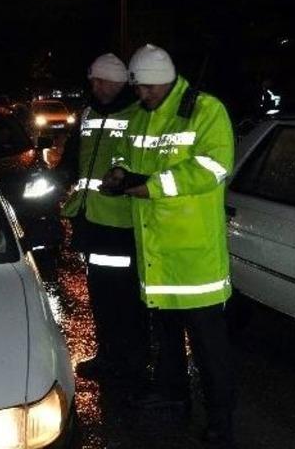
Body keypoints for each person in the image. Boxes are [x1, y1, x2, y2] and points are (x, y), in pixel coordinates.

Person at [102, 44, 236, 448]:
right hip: (157, 256)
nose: (141, 95)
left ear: (165, 79)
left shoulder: (205, 109)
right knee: (168, 341)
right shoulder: (143, 117)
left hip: (195, 260)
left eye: (147, 88)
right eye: (138, 88)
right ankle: (175, 398)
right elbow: (130, 157)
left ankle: (221, 421)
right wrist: (121, 173)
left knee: (211, 351)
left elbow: (213, 166)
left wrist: (151, 186)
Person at [58, 53, 148, 381]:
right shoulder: (88, 112)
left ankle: (133, 362)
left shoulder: (138, 115)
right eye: (93, 80)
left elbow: (144, 164)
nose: (96, 86)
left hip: (121, 222)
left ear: (121, 81)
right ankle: (109, 355)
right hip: (92, 220)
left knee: (126, 297)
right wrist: (60, 177)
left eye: (103, 80)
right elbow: (74, 156)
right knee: (100, 293)